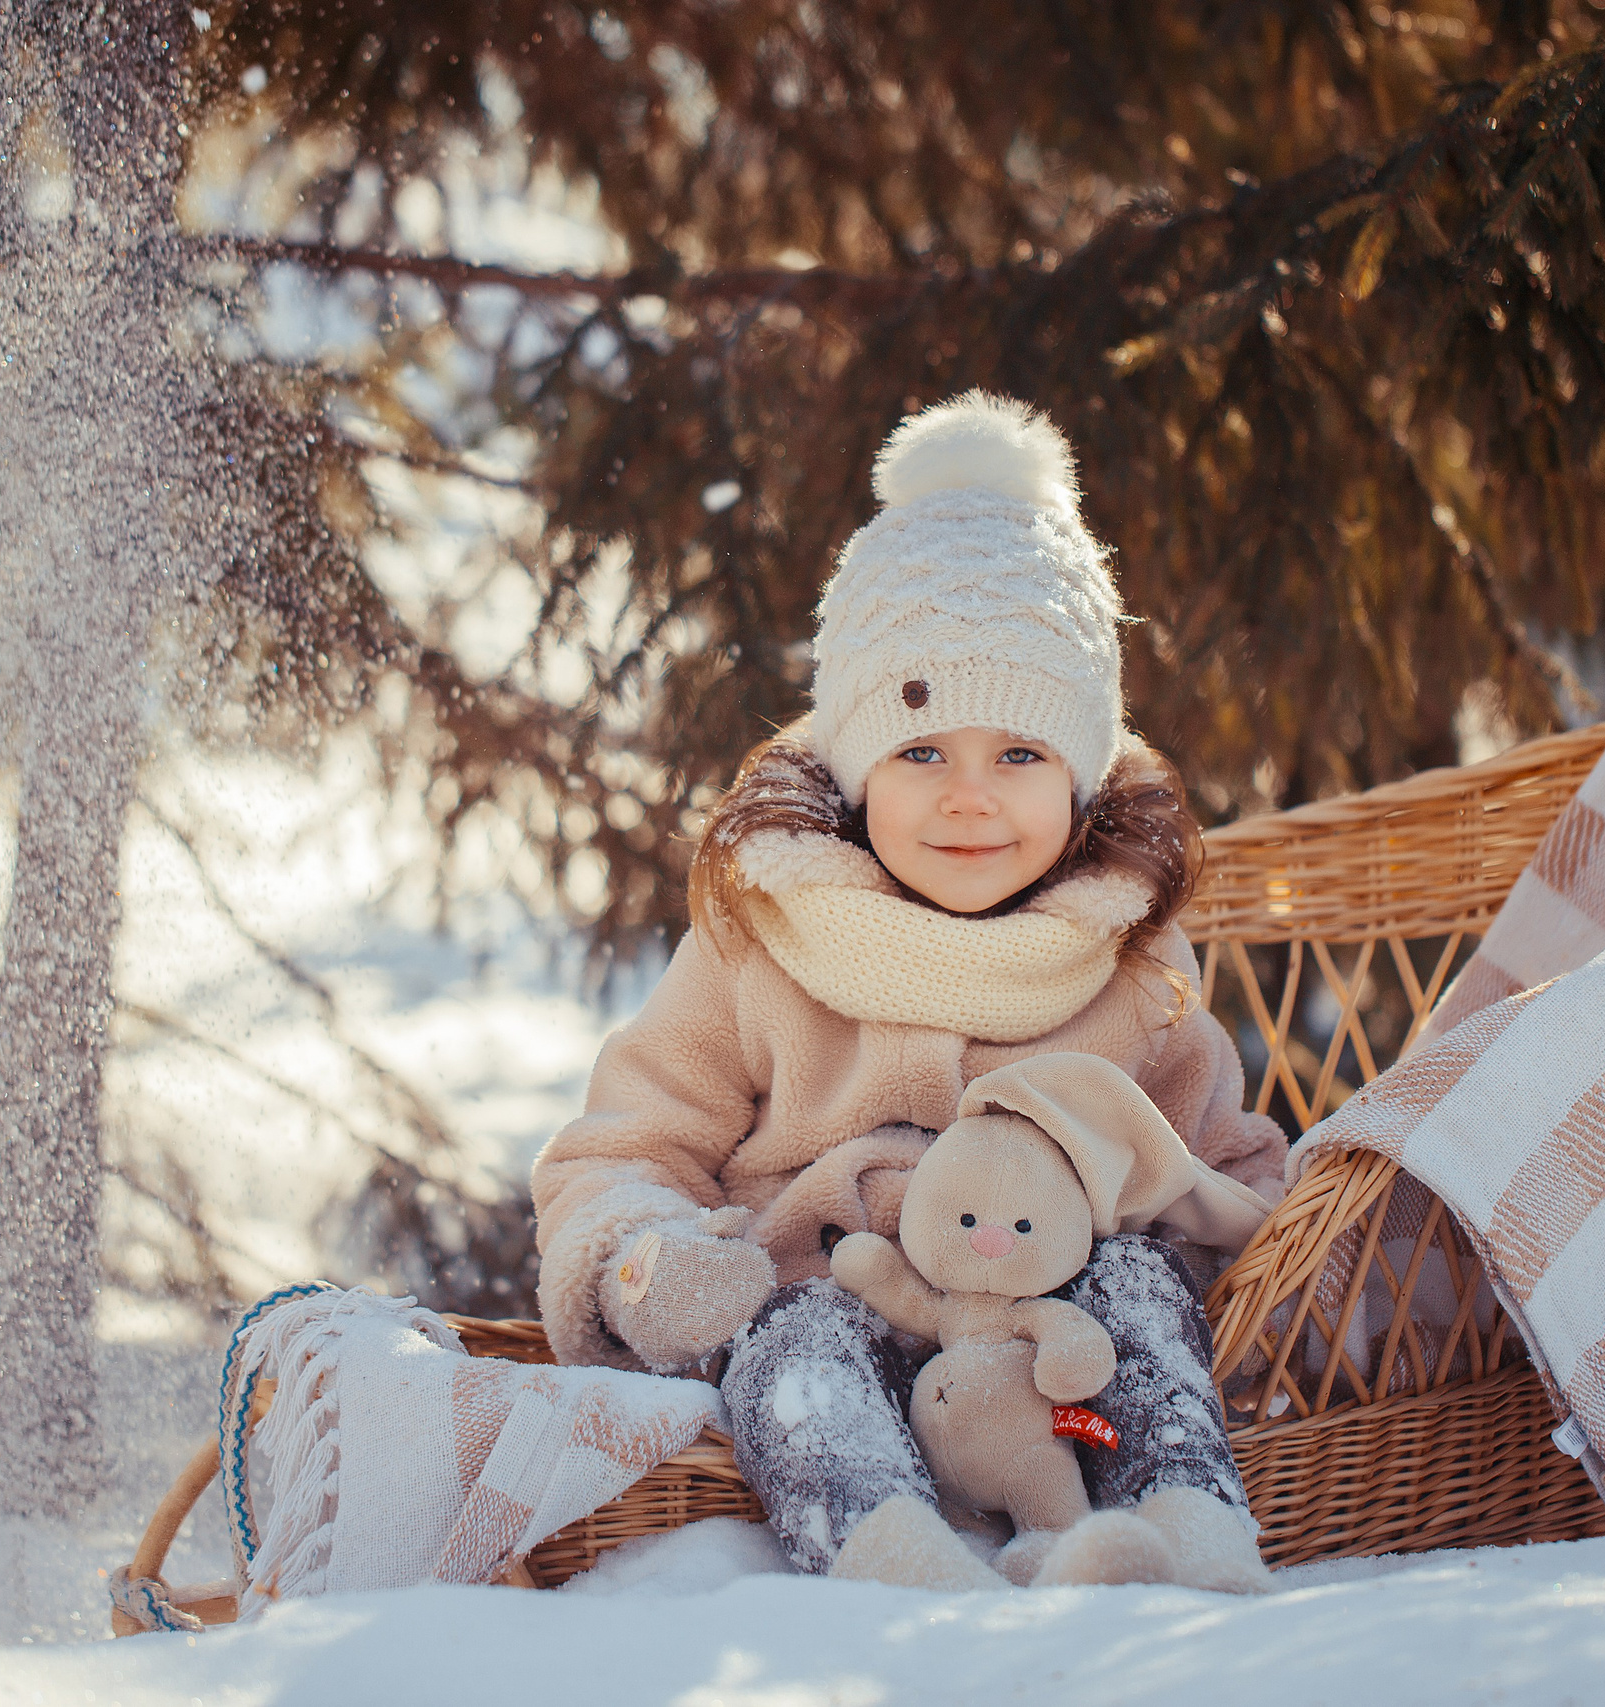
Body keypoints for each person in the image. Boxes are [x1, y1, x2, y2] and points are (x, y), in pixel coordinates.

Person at [528, 391, 1287, 1589]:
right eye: (920, 751)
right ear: (852, 766)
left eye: (1021, 755)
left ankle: (1178, 1527)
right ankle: (888, 1560)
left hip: (1046, 1379)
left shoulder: (1128, 960)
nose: (968, 797)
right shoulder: (763, 937)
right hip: (826, 1327)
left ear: (1083, 781)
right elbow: (616, 1151)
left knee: (1139, 1277)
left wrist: (1271, 1255)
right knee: (795, 1334)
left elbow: (1220, 1174)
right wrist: (646, 1258)